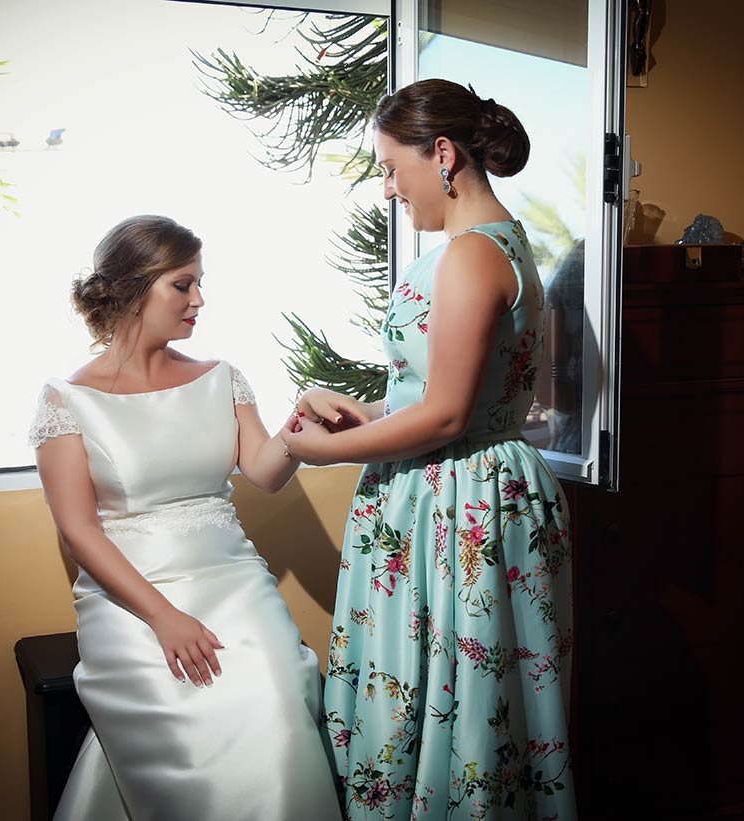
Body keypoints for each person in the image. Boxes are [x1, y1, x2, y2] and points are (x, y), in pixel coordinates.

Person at [281, 79, 577, 820]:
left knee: (449, 695)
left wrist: (325, 454)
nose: (388, 188)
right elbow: (445, 393)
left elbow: (446, 415)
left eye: (390, 167)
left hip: (458, 498)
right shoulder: (495, 244)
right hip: (469, 486)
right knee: (467, 697)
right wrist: (369, 413)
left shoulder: (472, 256)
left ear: (442, 154)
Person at [28, 215, 340, 821]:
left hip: (234, 582)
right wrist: (164, 617)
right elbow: (79, 530)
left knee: (276, 699)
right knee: (182, 719)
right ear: (133, 288)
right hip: (131, 599)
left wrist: (302, 421)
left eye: (199, 283)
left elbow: (266, 472)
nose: (199, 299)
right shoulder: (67, 400)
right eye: (182, 284)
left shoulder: (221, 378)